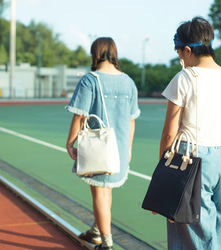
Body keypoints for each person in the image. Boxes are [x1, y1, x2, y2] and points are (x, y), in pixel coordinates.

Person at [159, 17, 221, 249]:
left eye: (179, 53)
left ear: (187, 50)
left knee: (192, 238)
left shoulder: (185, 78)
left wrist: (164, 176)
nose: (180, 59)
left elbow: (170, 133)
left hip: (192, 159)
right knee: (215, 235)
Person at [65, 37, 140, 250]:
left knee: (99, 192)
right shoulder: (129, 82)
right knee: (107, 191)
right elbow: (132, 119)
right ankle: (97, 230)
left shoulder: (90, 80)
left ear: (95, 54)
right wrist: (129, 148)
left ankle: (106, 244)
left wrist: (70, 143)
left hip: (98, 147)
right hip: (120, 148)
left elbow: (79, 115)